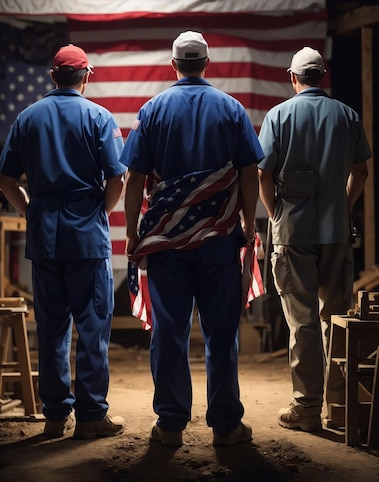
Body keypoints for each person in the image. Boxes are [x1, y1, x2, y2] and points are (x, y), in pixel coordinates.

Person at [120, 31, 264, 447]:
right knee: (221, 333)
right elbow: (248, 172)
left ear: (173, 65)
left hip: (166, 243)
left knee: (169, 332)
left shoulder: (152, 110)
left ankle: (169, 426)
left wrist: (132, 232)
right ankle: (225, 426)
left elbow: (134, 180)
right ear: (207, 63)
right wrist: (248, 225)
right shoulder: (232, 109)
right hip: (219, 241)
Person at [0, 44, 127, 439]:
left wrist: (30, 212)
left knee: (52, 328)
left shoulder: (27, 118)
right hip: (86, 235)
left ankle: (55, 417)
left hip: (45, 235)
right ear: (86, 76)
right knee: (92, 327)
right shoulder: (99, 117)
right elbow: (117, 178)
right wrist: (99, 214)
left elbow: (6, 180)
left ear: (53, 76)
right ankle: (90, 417)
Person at [257, 46, 371, 433]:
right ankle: (338, 407)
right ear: (323, 77)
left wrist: (275, 215)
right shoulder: (347, 115)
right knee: (336, 318)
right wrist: (343, 201)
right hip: (335, 232)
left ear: (293, 78)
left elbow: (263, 175)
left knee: (301, 323)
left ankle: (306, 408)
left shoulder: (279, 115)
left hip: (292, 232)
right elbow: (361, 172)